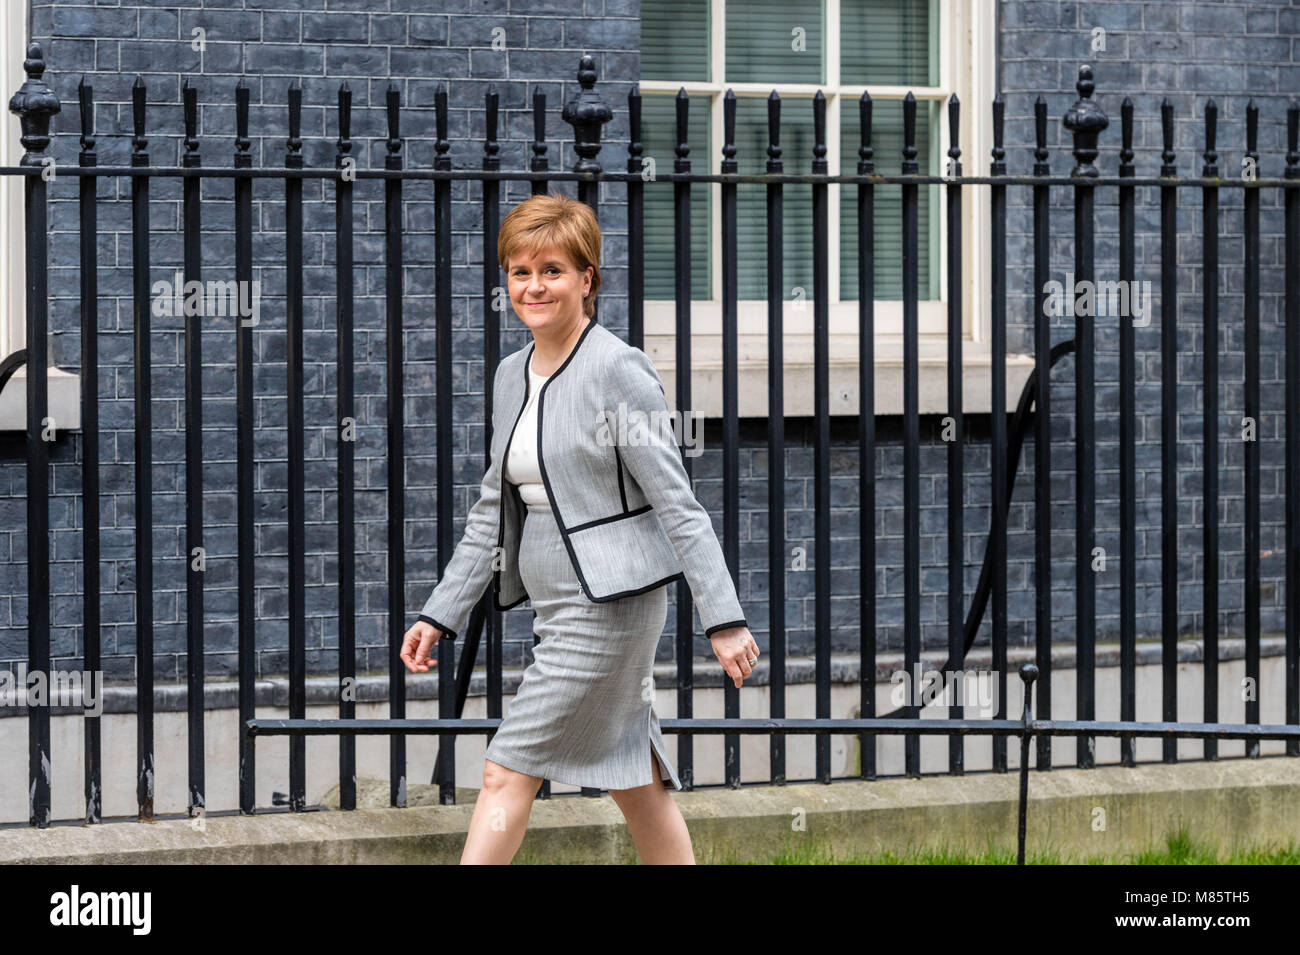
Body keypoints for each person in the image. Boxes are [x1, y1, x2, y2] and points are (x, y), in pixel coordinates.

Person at [400, 191, 759, 864]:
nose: (534, 286)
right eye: (519, 271)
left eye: (553, 270)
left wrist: (724, 618)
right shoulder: (513, 374)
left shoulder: (615, 369)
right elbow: (492, 508)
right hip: (554, 604)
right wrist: (440, 613)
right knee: (638, 783)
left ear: (587, 279)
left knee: (507, 768)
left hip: (610, 606)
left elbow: (676, 503)